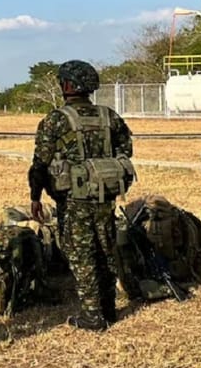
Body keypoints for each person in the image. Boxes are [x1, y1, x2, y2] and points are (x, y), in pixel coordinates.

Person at [27, 60, 135, 331]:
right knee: (106, 249)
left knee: (81, 254)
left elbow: (40, 163)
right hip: (106, 196)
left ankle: (92, 315)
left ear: (66, 86)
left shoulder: (55, 120)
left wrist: (35, 196)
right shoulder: (109, 116)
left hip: (73, 200)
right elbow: (126, 150)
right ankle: (109, 308)